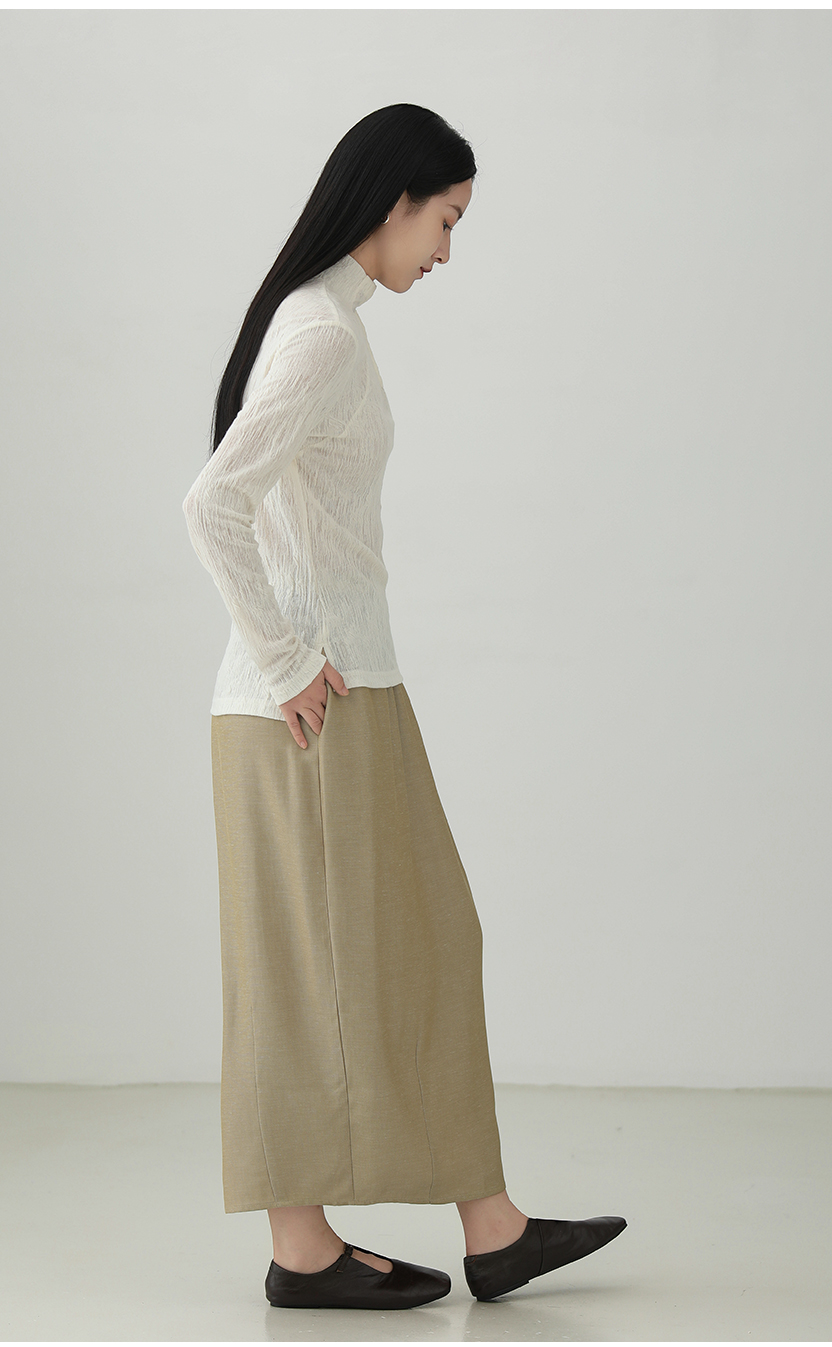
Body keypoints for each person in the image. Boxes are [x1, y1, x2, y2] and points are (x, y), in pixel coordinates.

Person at [182, 103, 627, 1311]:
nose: (446, 251)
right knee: (298, 974)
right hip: (307, 708)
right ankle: (306, 1249)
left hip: (349, 691)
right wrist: (284, 661)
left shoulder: (322, 321)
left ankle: (491, 1227)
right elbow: (211, 504)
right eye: (445, 221)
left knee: (428, 942)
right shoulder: (318, 334)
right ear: (394, 202)